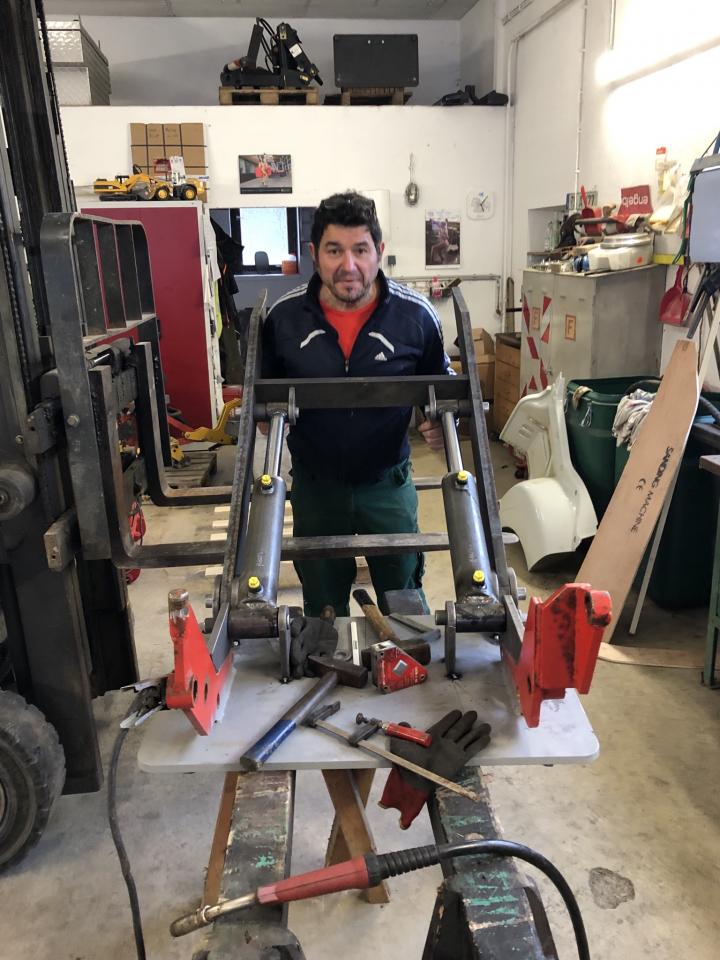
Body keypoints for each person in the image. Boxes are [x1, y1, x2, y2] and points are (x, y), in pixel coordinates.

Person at [261, 190, 451, 617]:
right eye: (334, 251)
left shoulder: (417, 318)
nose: (349, 266)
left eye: (360, 250)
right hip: (315, 489)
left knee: (404, 603)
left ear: (379, 251)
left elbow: (444, 394)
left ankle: (405, 655)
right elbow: (263, 398)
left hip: (387, 484)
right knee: (322, 609)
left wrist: (443, 423)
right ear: (314, 254)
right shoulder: (284, 320)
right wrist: (266, 419)